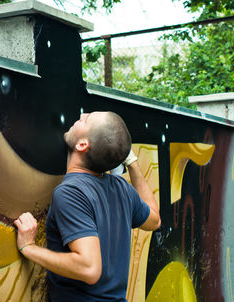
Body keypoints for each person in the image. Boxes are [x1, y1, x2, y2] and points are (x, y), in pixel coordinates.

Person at [14, 111, 161, 301]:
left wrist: (29, 247)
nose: (82, 114)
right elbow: (154, 221)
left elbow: (89, 268)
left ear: (82, 144)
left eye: (87, 119)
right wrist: (132, 163)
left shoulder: (70, 192)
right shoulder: (123, 189)